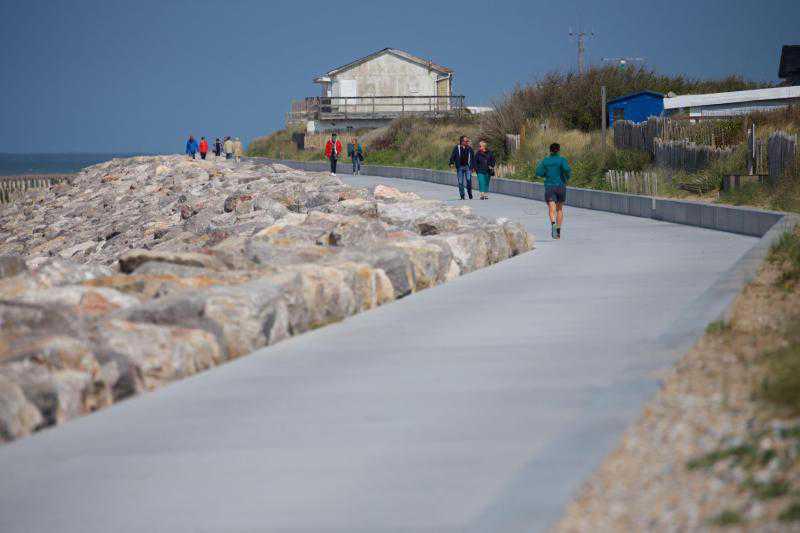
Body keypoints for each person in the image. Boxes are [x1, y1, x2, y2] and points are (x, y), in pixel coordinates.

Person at [535, 142, 572, 239]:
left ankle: (553, 224)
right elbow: (567, 169)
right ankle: (558, 232)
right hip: (560, 186)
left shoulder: (545, 161)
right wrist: (567, 177)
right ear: (559, 150)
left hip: (550, 186)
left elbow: (538, 172)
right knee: (559, 209)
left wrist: (545, 175)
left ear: (550, 150)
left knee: (551, 210)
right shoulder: (562, 160)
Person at [448, 135, 474, 200]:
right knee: (460, 182)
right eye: (466, 141)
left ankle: (469, 192)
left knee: (469, 180)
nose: (467, 142)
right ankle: (462, 195)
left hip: (467, 167)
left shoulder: (470, 148)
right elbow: (453, 156)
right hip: (460, 167)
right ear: (462, 141)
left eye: (467, 141)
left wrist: (473, 167)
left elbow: (472, 159)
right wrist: (451, 163)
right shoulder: (457, 148)